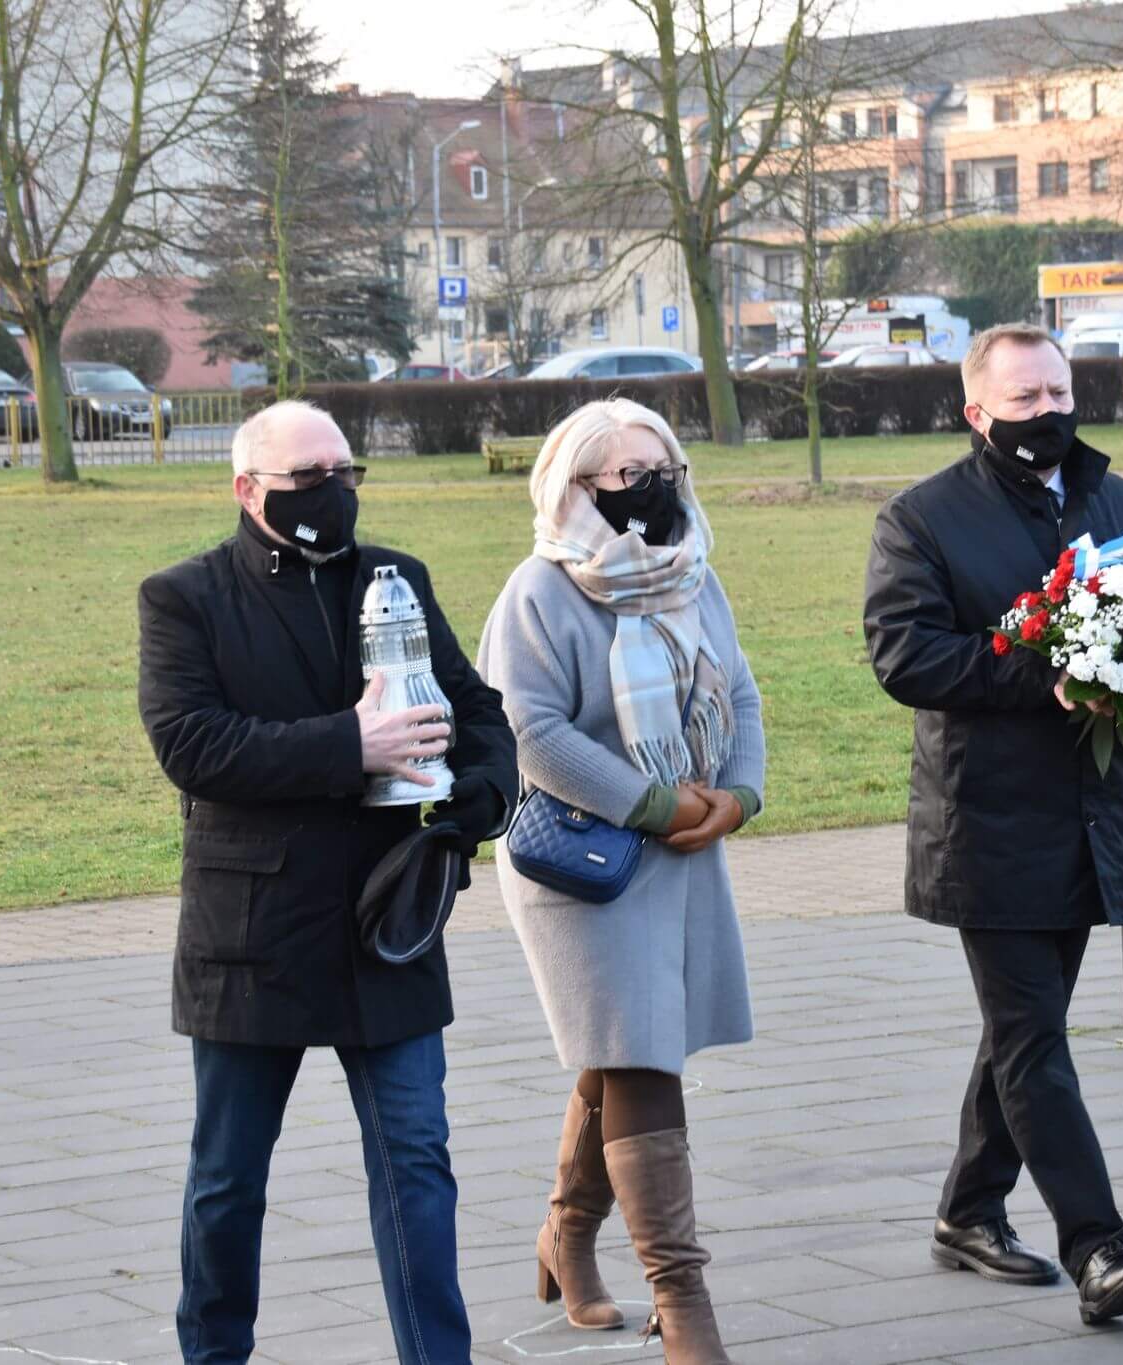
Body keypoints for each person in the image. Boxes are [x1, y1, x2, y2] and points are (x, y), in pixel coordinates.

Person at [136, 400, 518, 1364]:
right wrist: (354, 743)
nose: (329, 492)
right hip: (251, 929)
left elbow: (475, 708)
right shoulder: (183, 597)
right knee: (228, 1177)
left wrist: (482, 793)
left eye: (343, 473)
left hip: (386, 916)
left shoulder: (396, 577)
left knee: (417, 1163)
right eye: (306, 477)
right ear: (246, 488)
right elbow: (193, 746)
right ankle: (213, 1354)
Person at [862, 324, 1123, 1327]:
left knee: (1018, 1032)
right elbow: (905, 658)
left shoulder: (1117, 500)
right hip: (985, 822)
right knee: (1033, 1037)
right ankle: (1100, 1248)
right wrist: (1046, 677)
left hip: (1091, 812)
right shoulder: (920, 519)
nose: (1044, 412)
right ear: (975, 411)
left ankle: (966, 1210)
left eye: (1055, 392)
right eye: (1022, 398)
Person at [478, 398, 765, 1365]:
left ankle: (565, 1230)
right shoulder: (538, 590)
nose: (653, 485)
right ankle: (683, 1303)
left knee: (622, 1050)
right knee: (645, 1060)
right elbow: (533, 734)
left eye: (665, 466)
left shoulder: (695, 576)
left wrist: (740, 796)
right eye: (627, 472)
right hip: (585, 866)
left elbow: (744, 688)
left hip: (685, 850)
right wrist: (657, 806)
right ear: (576, 486)